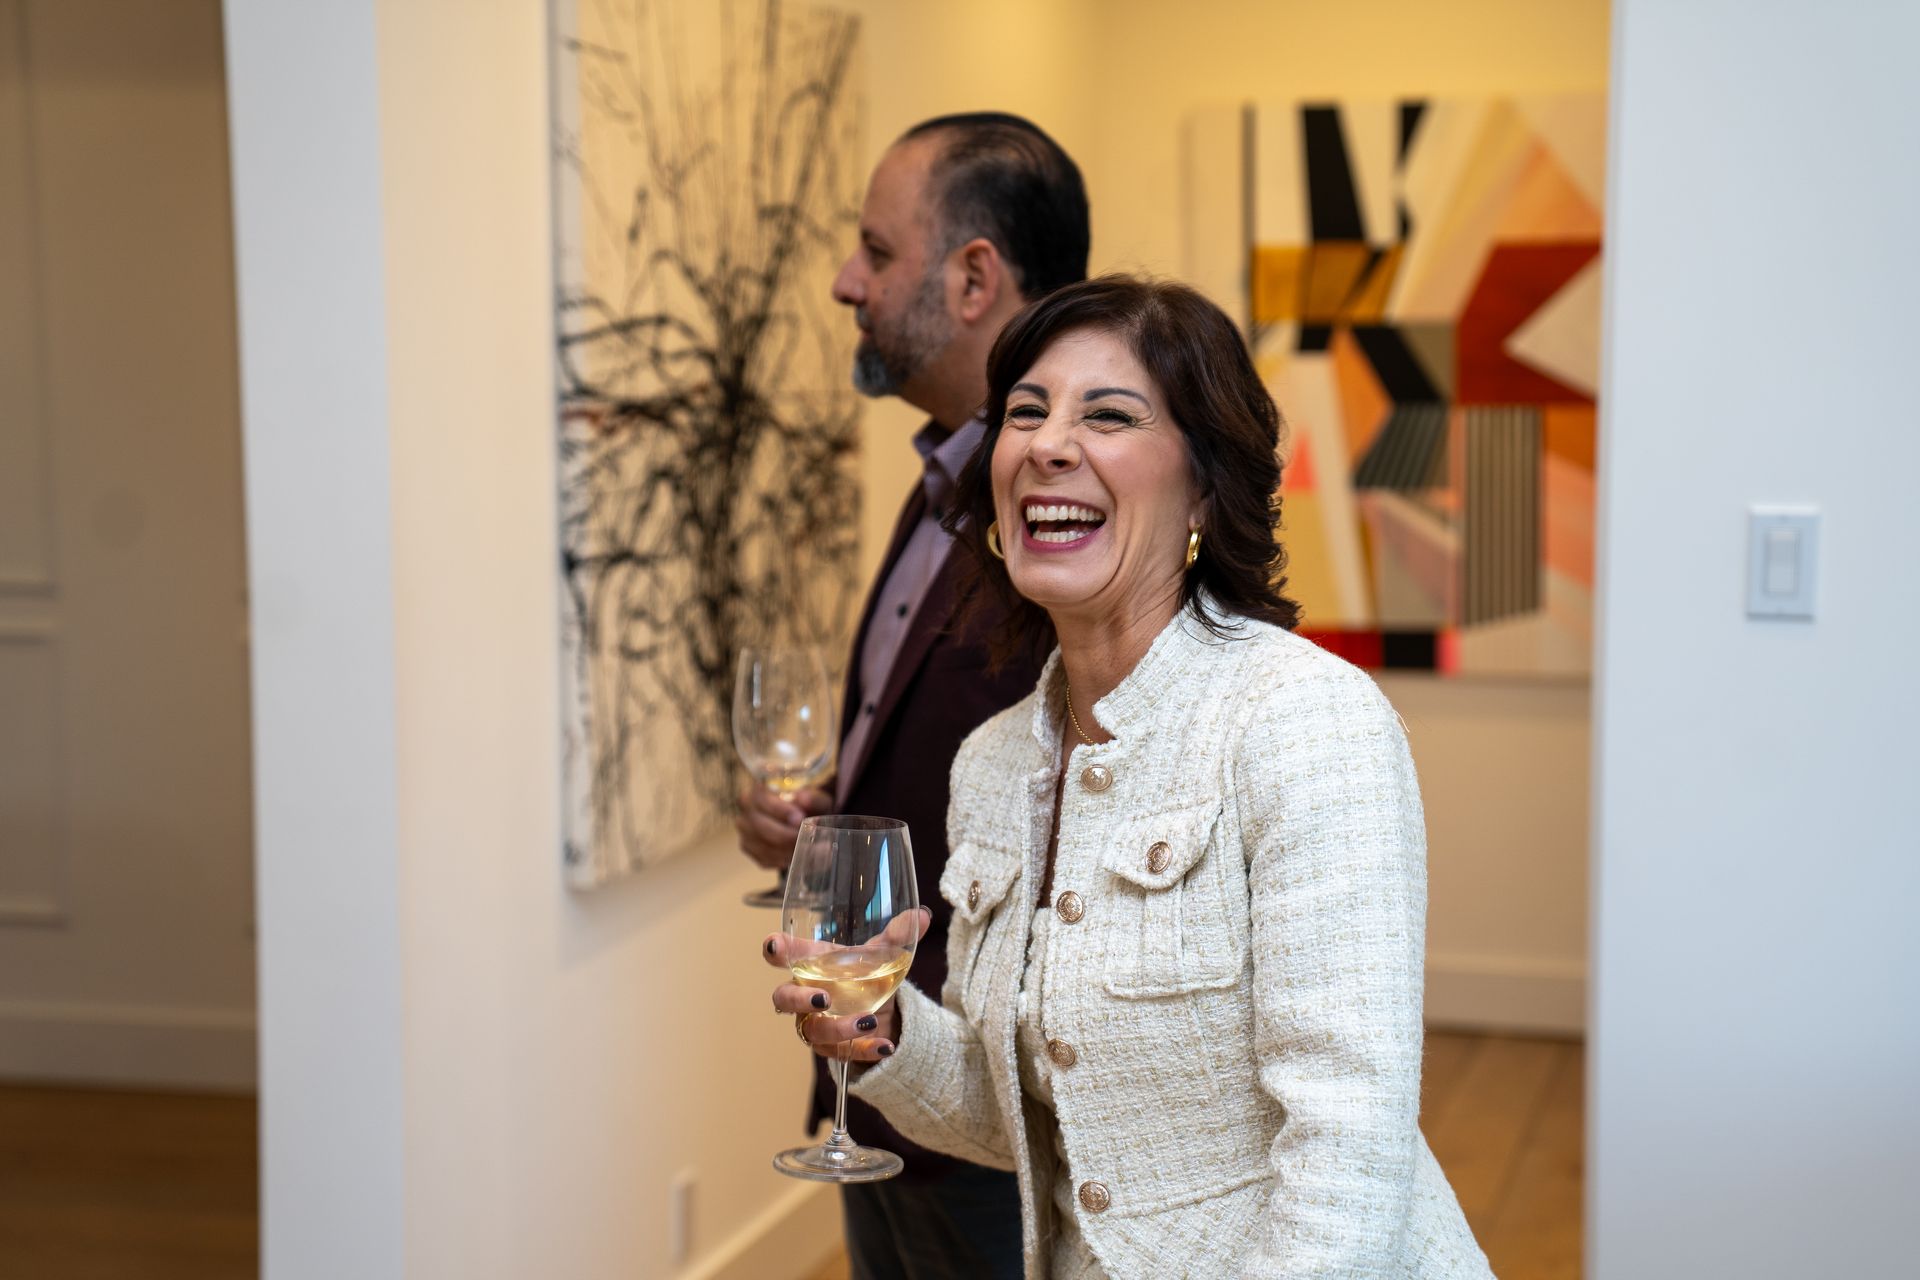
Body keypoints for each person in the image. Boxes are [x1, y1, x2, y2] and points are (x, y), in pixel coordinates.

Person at [765, 276, 1496, 1277]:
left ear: (1203, 485)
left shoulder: (1303, 721)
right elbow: (1030, 1116)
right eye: (1025, 412)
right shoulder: (991, 763)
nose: (1047, 443)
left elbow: (1347, 1161)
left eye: (1108, 414)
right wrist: (888, 1031)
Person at [736, 112, 1089, 1280]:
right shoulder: (941, 476)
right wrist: (824, 815)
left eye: (876, 251)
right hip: (880, 1076)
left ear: (974, 276)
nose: (847, 281)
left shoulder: (1064, 509)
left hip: (989, 1117)